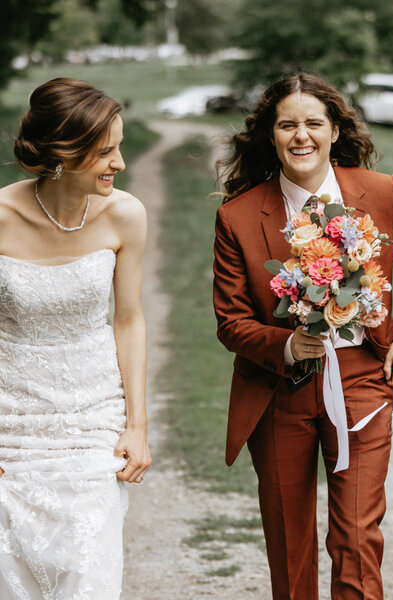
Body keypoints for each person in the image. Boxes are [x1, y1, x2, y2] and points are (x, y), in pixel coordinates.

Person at [213, 72, 393, 599]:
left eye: (313, 123)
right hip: (279, 393)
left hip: (363, 381)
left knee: (357, 536)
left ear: (336, 130)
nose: (302, 135)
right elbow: (231, 321)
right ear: (271, 134)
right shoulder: (238, 216)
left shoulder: (383, 193)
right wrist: (287, 345)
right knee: (290, 541)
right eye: (287, 124)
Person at [0, 78, 151, 599]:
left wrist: (137, 426)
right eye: (106, 151)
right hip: (12, 424)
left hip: (93, 420)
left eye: (120, 147)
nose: (120, 163)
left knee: (89, 576)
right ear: (64, 154)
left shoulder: (125, 215)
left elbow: (128, 321)